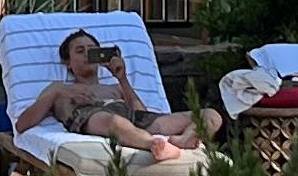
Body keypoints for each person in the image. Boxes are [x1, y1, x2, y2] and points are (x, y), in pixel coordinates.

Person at [16, 29, 199, 161]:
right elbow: (22, 124)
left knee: (208, 115)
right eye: (80, 51)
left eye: (92, 50)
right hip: (91, 117)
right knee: (114, 121)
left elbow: (143, 115)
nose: (87, 54)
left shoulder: (115, 88)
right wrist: (57, 93)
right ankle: (154, 145)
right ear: (68, 62)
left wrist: (122, 79)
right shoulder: (58, 88)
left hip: (129, 120)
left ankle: (183, 140)